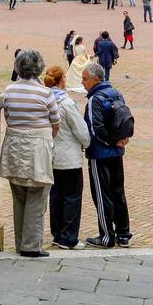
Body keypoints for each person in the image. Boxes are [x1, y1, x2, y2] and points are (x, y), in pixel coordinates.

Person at [0, 49, 57, 257]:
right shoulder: (46, 93)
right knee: (37, 195)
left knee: (19, 197)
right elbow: (55, 122)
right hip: (37, 147)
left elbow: (8, 116)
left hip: (14, 145)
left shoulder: (10, 90)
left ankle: (20, 243)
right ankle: (31, 245)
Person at [82, 62, 132, 248]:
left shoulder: (95, 99)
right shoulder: (116, 92)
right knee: (118, 192)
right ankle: (124, 233)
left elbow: (95, 129)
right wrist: (122, 139)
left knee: (102, 195)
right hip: (117, 151)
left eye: (85, 79)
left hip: (100, 153)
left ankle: (107, 236)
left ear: (96, 79)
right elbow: (125, 119)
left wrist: (111, 142)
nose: (82, 82)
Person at [45, 65, 89, 248]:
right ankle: (69, 237)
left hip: (52, 156)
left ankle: (57, 233)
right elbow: (81, 130)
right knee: (72, 196)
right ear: (62, 79)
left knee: (56, 196)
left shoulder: (46, 101)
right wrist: (87, 144)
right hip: (69, 157)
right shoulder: (66, 103)